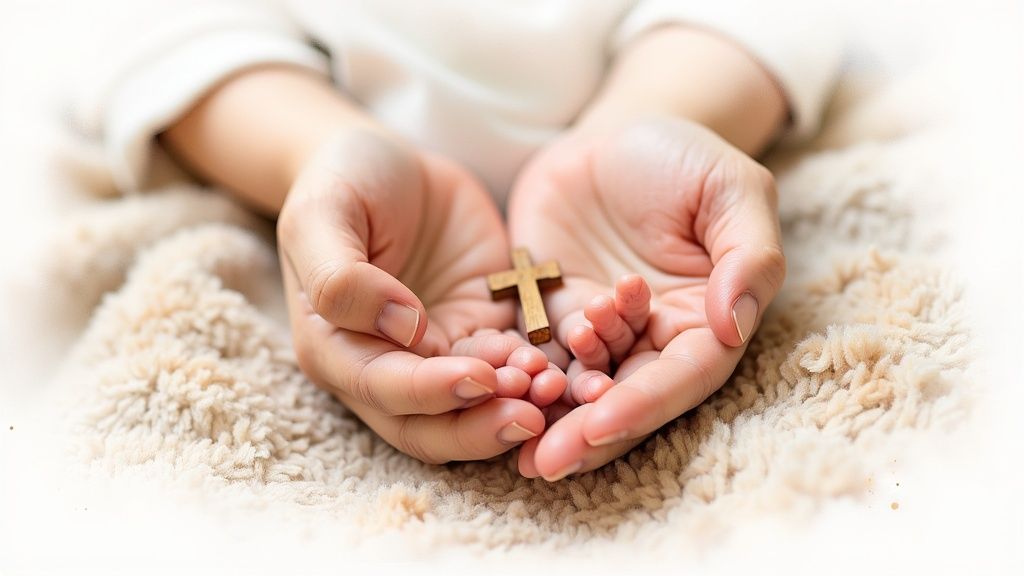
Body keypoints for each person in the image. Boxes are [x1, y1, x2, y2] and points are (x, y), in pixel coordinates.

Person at [71, 0, 839, 481]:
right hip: (369, 178)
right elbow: (157, 31)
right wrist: (317, 150)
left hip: (642, 134)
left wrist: (648, 116)